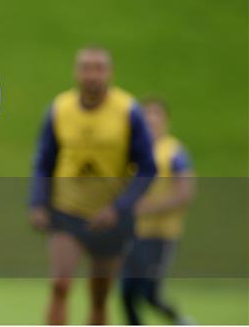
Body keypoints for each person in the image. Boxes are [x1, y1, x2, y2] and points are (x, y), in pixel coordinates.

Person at [28, 47, 156, 325]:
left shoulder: (128, 111)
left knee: (99, 295)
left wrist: (119, 208)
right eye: (86, 68)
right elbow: (43, 161)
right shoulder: (60, 109)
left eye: (99, 68)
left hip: (109, 218)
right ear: (77, 72)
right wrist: (37, 203)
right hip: (67, 210)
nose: (92, 75)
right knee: (60, 285)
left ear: (109, 73)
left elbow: (148, 168)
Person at [121, 98, 195, 325]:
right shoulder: (132, 150)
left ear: (165, 121)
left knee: (148, 293)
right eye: (146, 115)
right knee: (125, 293)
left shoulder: (173, 152)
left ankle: (180, 320)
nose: (151, 120)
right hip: (133, 233)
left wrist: (148, 207)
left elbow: (185, 192)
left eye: (156, 115)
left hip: (160, 235)